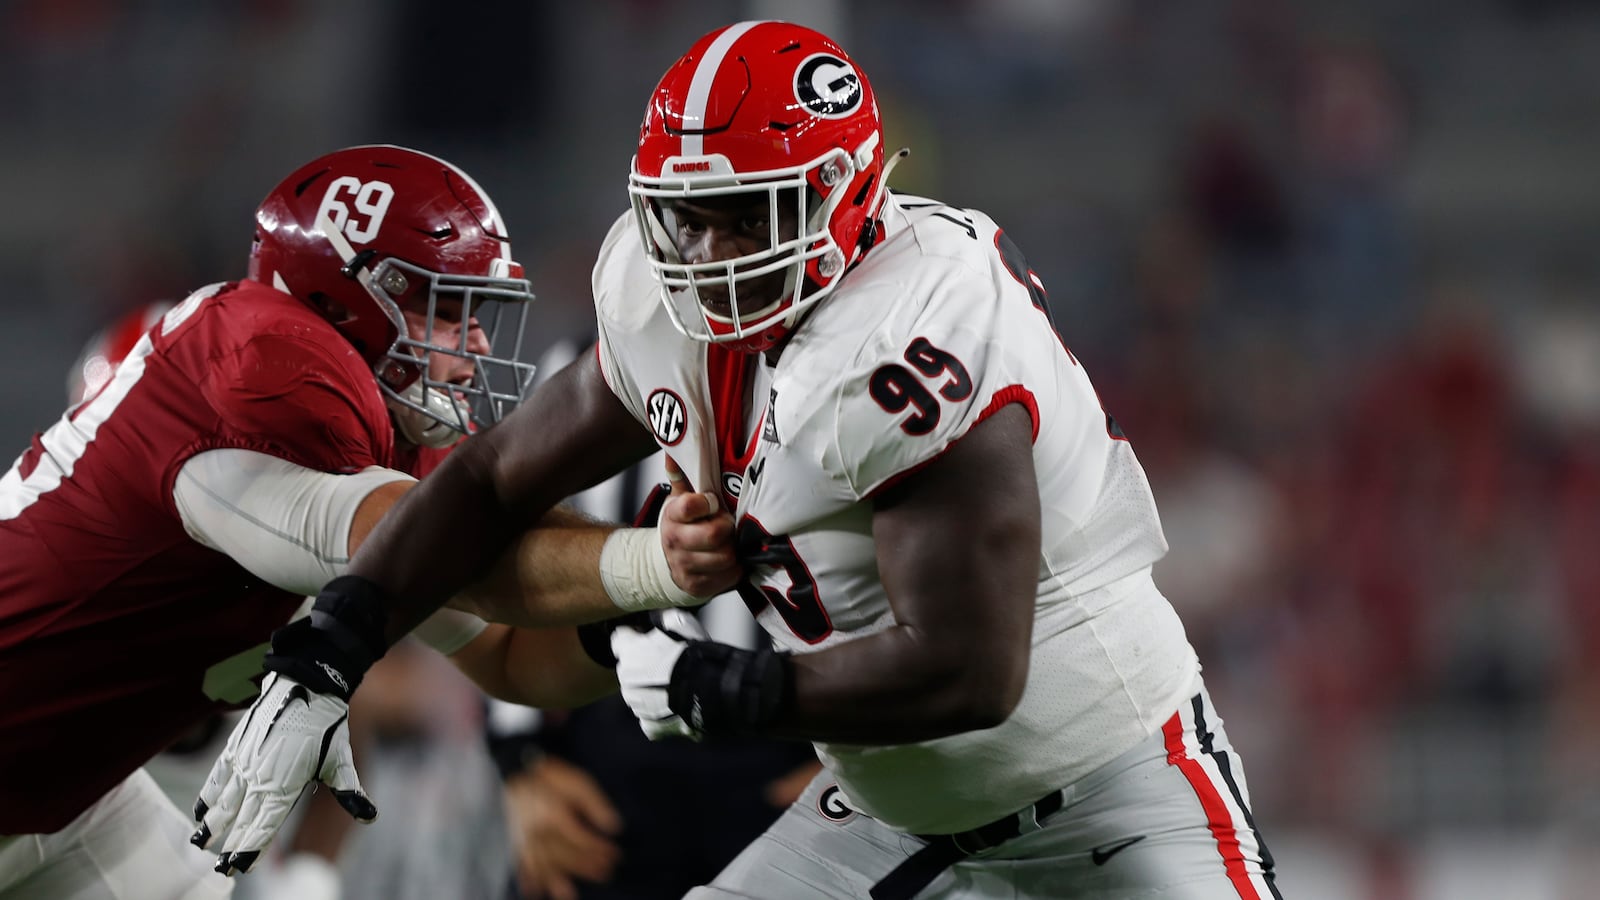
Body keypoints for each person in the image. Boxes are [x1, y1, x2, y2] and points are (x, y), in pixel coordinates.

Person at [208, 23, 1282, 900]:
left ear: (845, 195)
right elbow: (492, 480)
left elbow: (970, 670)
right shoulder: (657, 305)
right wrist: (337, 640)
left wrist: (731, 686)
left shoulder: (922, 333)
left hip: (1105, 787)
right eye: (688, 219)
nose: (712, 255)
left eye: (743, 217)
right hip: (892, 813)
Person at [0, 144, 733, 900]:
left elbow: (515, 657)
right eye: (448, 309)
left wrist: (636, 607)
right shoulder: (256, 365)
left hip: (68, 797)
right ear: (345, 303)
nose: (476, 342)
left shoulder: (385, 447)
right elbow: (418, 544)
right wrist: (652, 560)